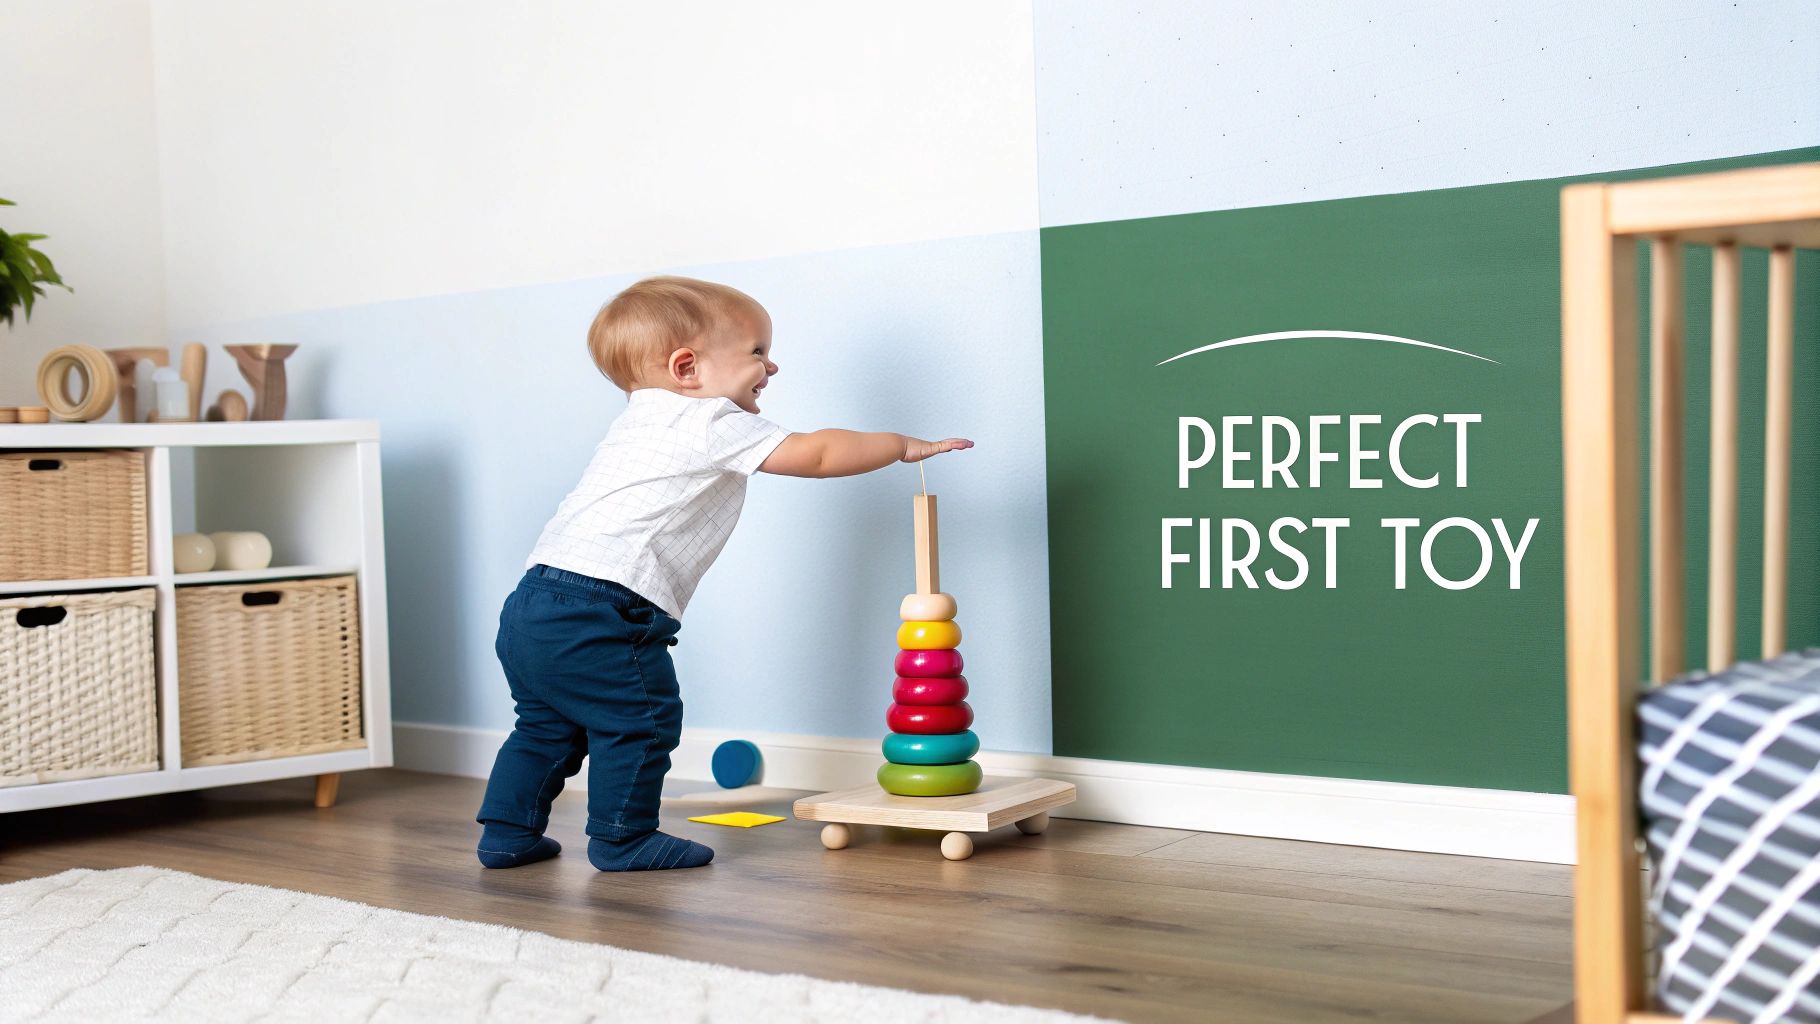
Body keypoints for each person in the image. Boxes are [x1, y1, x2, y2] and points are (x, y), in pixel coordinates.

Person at [475, 276, 972, 871]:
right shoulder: (707, 419)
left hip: (534, 602)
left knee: (544, 729)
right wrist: (900, 445)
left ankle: (507, 835)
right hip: (602, 609)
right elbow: (814, 455)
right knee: (643, 722)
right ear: (687, 368)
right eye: (758, 351)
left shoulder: (640, 419)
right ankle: (622, 838)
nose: (773, 365)